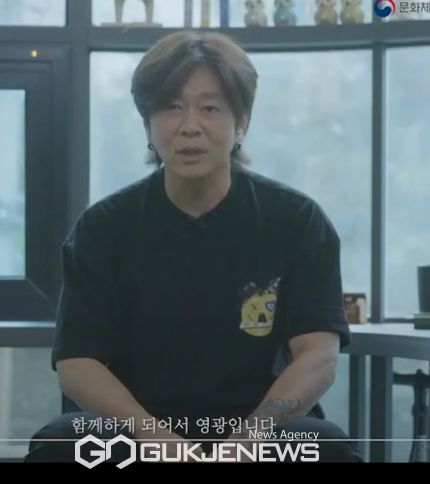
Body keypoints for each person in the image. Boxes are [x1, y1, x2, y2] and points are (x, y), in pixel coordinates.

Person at [25, 30, 361, 463]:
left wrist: (246, 441)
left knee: (323, 444)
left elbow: (318, 356)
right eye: (171, 107)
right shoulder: (103, 228)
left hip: (257, 429)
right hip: (138, 429)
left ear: (241, 122)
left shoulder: (297, 220)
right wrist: (159, 441)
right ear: (147, 123)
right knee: (63, 441)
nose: (189, 126)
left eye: (210, 108)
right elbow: (77, 363)